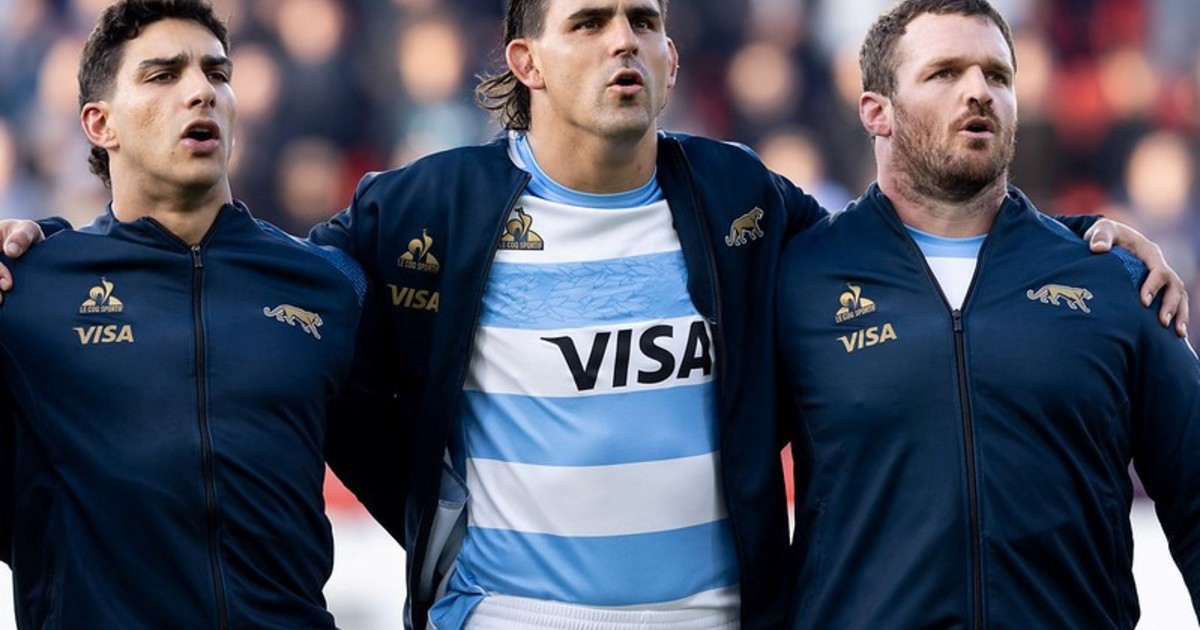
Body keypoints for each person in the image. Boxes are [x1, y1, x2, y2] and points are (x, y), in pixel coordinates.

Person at [0, 1, 1188, 628]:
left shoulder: (743, 205)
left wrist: (1075, 241)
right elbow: (234, 288)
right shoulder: (424, 211)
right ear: (526, 59)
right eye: (589, 20)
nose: (623, 38)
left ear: (670, 59)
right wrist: (51, 248)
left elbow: (924, 246)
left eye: (644, 19)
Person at [777, 0, 1200, 628]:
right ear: (875, 112)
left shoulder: (1110, 278)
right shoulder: (800, 280)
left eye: (998, 75)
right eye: (944, 73)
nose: (978, 90)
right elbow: (729, 485)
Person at [0, 1, 393, 628]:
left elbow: (415, 483)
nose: (201, 92)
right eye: (163, 75)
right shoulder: (27, 293)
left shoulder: (328, 285)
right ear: (100, 124)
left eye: (217, 73)